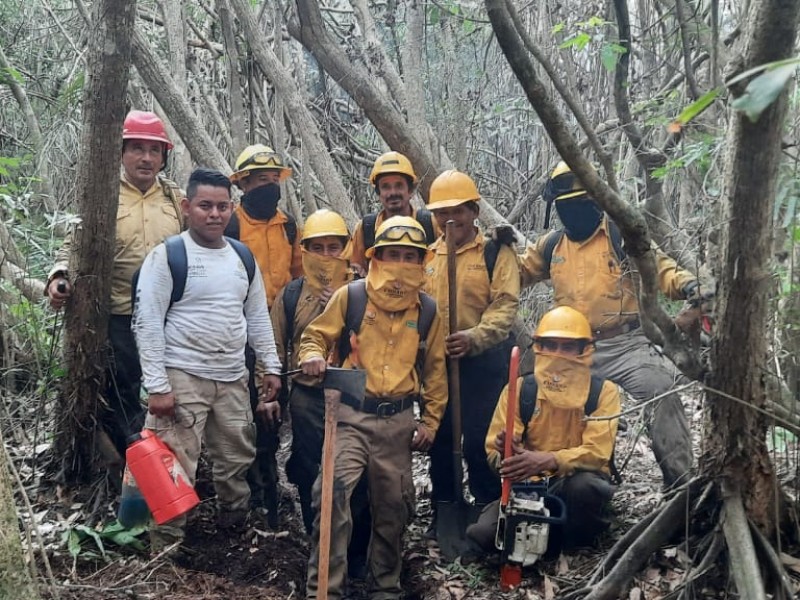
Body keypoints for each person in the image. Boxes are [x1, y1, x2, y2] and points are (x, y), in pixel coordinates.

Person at [519, 161, 711, 488]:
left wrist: (690, 285)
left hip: (626, 343)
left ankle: (681, 488)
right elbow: (515, 273)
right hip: (568, 349)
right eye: (566, 207)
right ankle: (548, 480)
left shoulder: (619, 235)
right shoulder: (552, 246)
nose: (573, 213)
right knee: (532, 392)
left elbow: (660, 267)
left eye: (579, 204)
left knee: (659, 389)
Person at [298, 216, 448, 599]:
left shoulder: (427, 311)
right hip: (348, 417)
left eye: (409, 256)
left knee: (393, 506)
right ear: (376, 256)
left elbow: (435, 369)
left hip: (397, 423)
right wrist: (313, 355)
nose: (400, 263)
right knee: (331, 495)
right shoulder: (353, 296)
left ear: (421, 261)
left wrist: (430, 420)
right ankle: (326, 589)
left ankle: (385, 587)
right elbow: (316, 334)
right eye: (392, 254)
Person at [132, 168, 282, 548]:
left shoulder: (242, 257)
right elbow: (146, 321)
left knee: (237, 457)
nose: (214, 214)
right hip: (183, 376)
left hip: (232, 377)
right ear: (186, 207)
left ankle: (234, 533)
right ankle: (164, 548)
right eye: (204, 206)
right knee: (174, 462)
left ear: (231, 208)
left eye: (221, 207)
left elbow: (257, 317)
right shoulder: (168, 256)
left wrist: (271, 366)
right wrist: (158, 386)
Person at [46, 110, 184, 457]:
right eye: (137, 148)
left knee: (172, 391)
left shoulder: (174, 198)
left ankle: (171, 461)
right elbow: (72, 245)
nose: (146, 158)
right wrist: (59, 276)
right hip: (119, 314)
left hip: (170, 318)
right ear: (121, 152)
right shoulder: (102, 195)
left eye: (154, 150)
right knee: (123, 393)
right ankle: (136, 467)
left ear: (164, 157)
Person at [464, 306, 619, 560]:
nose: (558, 354)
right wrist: (507, 454)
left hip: (573, 484)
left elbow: (597, 454)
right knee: (483, 535)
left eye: (568, 347)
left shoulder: (603, 392)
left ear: (584, 349)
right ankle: (538, 535)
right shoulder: (521, 389)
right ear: (539, 347)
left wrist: (548, 460)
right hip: (529, 487)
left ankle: (576, 539)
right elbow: (494, 453)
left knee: (586, 487)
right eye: (551, 345)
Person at [271, 209, 371, 577]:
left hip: (354, 398)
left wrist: (346, 305)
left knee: (355, 476)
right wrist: (270, 394)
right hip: (309, 396)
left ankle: (357, 553)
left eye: (334, 247)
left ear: (346, 249)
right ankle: (318, 541)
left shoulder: (365, 289)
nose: (326, 255)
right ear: (306, 251)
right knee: (308, 467)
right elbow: (276, 346)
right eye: (318, 248)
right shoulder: (293, 294)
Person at [422, 170, 520, 527]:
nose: (449, 219)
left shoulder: (496, 251)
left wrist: (474, 337)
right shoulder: (426, 256)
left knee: (482, 439)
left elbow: (505, 304)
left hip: (484, 362)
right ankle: (446, 507)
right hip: (440, 366)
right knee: (442, 438)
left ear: (474, 211)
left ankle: (488, 508)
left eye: (458, 210)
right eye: (440, 212)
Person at [227, 143, 303, 524]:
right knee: (244, 412)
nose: (269, 186)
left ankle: (271, 480)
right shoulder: (232, 223)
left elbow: (299, 276)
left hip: (281, 334)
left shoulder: (288, 223)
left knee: (275, 409)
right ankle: (251, 488)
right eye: (260, 180)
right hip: (239, 335)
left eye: (274, 179)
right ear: (242, 184)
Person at [348, 151, 440, 271]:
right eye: (386, 187)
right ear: (378, 193)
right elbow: (356, 271)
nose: (393, 193)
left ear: (410, 190)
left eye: (399, 185)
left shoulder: (430, 224)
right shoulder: (366, 228)